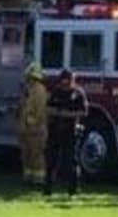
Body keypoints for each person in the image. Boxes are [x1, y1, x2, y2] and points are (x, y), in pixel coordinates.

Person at [45, 68, 87, 197]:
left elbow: (84, 112)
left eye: (68, 80)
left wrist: (68, 114)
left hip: (71, 131)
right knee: (51, 161)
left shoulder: (78, 93)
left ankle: (73, 190)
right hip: (55, 131)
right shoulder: (56, 92)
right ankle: (48, 189)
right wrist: (57, 112)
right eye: (64, 80)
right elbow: (47, 108)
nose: (66, 83)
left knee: (71, 162)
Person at [18, 62, 48, 187]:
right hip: (27, 129)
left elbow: (40, 110)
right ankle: (28, 178)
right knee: (26, 155)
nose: (27, 79)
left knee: (37, 155)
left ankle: (39, 180)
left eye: (29, 77)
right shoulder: (29, 90)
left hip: (37, 130)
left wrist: (32, 121)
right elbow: (24, 107)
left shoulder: (39, 90)